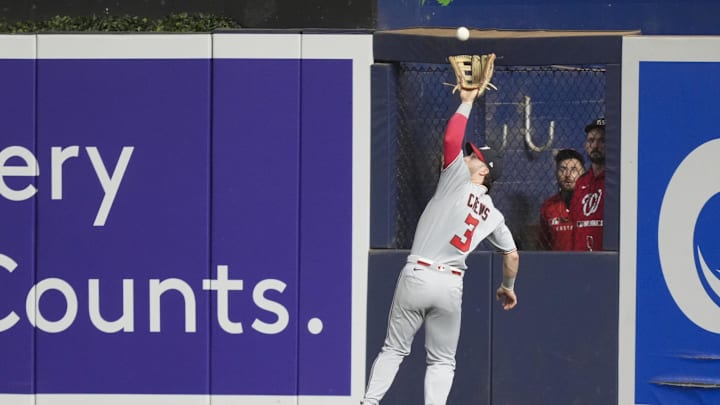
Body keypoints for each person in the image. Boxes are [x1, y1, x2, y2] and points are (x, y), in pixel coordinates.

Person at [361, 88, 520, 405]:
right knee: (442, 361)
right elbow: (512, 255)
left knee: (394, 348)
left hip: (419, 274)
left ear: (484, 170)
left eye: (474, 156)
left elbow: (450, 140)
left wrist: (467, 101)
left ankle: (369, 402)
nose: (467, 156)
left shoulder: (457, 179)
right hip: (450, 285)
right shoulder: (495, 215)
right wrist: (507, 286)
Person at [538, 149, 586, 250]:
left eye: (574, 170)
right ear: (556, 173)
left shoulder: (591, 204)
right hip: (558, 263)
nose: (567, 175)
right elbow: (543, 246)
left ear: (583, 173)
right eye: (563, 169)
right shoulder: (548, 206)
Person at [569, 117, 606, 251]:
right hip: (581, 258)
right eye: (591, 140)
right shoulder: (581, 182)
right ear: (585, 145)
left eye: (602, 140)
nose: (595, 145)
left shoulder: (617, 181)